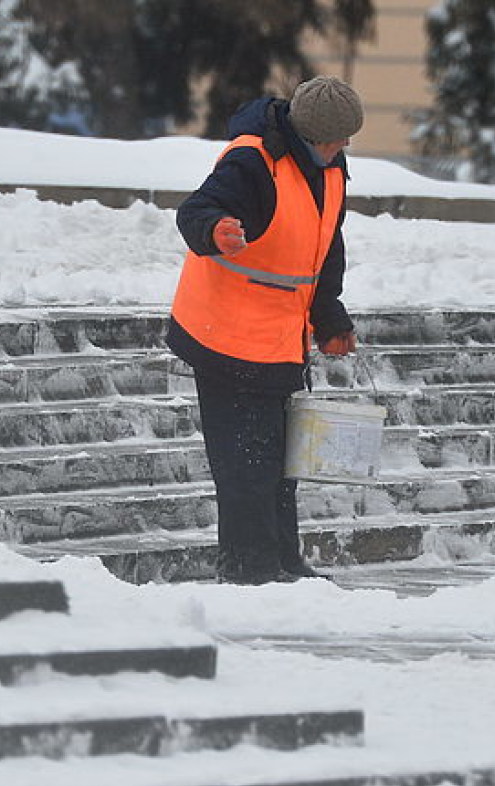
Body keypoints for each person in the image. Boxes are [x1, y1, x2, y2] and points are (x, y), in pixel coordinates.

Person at [168, 76, 363, 585]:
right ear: (314, 136)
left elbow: (323, 252)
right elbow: (195, 212)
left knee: (279, 467)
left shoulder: (329, 170)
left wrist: (330, 319)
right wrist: (215, 230)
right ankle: (247, 572)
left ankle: (281, 563)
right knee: (245, 469)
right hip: (224, 335)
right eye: (340, 138)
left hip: (278, 340)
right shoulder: (254, 162)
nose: (345, 147)